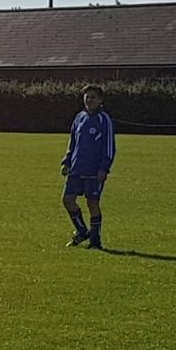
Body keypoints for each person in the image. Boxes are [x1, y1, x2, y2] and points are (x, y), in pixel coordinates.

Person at [60, 85, 116, 248]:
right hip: (77, 168)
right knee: (67, 200)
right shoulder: (79, 117)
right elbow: (73, 141)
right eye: (87, 97)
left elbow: (109, 146)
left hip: (94, 170)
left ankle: (95, 240)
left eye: (93, 97)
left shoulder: (103, 119)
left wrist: (104, 168)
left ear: (100, 100)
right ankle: (82, 231)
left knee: (92, 203)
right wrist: (67, 160)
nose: (89, 100)